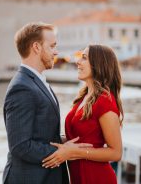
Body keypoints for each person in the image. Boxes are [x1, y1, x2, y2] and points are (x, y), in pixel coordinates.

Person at [2, 22, 74, 184]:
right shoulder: (22, 87)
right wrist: (64, 152)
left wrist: (67, 141)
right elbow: (20, 146)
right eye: (52, 46)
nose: (56, 52)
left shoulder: (35, 81)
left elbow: (42, 134)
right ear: (36, 47)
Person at [43, 45, 124, 184]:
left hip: (96, 178)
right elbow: (78, 138)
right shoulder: (84, 97)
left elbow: (116, 153)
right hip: (78, 177)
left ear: (99, 64)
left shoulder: (105, 101)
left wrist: (75, 152)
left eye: (84, 58)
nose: (78, 62)